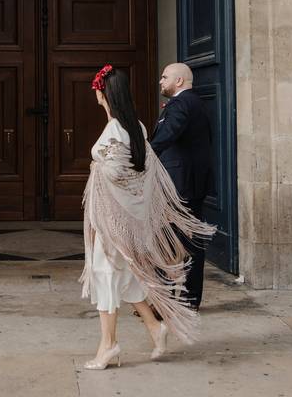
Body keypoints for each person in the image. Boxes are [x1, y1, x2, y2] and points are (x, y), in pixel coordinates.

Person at [80, 64, 215, 370]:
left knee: (105, 275)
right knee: (127, 276)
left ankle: (109, 346)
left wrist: (95, 168)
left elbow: (118, 173)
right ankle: (156, 328)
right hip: (128, 218)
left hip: (113, 222)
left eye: (98, 92)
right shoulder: (137, 127)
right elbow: (143, 172)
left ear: (104, 95)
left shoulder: (115, 130)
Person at [150, 63, 213, 310]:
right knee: (192, 242)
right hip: (192, 183)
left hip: (179, 185)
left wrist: (143, 157)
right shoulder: (196, 103)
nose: (160, 81)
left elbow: (167, 135)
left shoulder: (181, 103)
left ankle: (163, 301)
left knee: (164, 240)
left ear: (178, 81)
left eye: (164, 77)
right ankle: (189, 300)